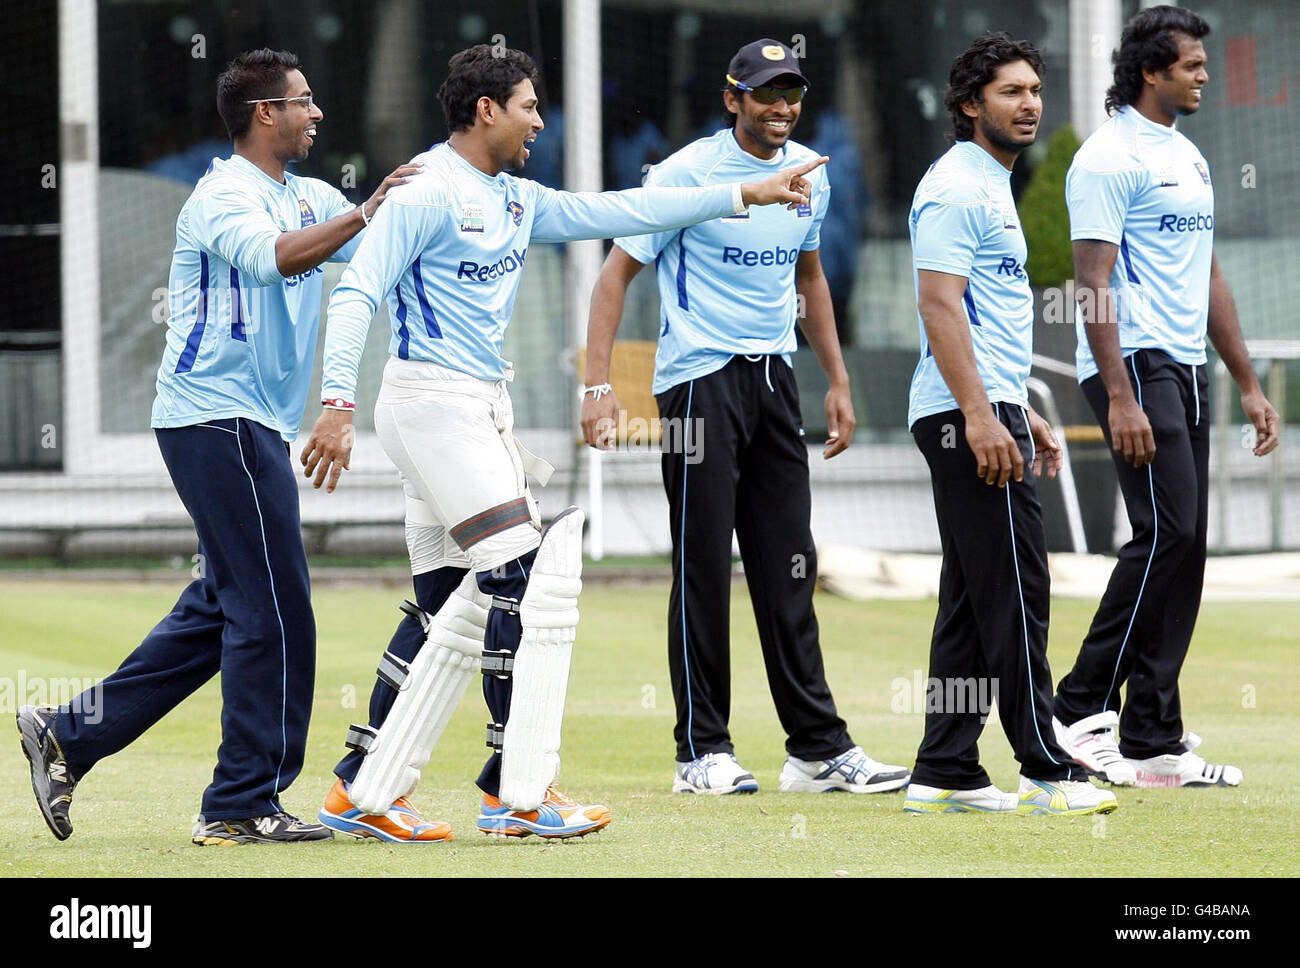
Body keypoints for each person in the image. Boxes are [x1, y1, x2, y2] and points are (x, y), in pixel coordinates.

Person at [300, 44, 825, 841]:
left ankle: (358, 789)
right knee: (521, 574)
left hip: (476, 410)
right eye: (528, 107)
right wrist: (335, 404)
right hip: (430, 407)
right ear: (486, 111)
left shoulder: (516, 198)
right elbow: (356, 295)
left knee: (448, 606)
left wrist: (745, 191)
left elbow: (620, 210)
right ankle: (519, 795)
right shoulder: (423, 190)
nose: (541, 121)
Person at [16, 49, 418, 845]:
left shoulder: (306, 193)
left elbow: (372, 245)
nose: (317, 114)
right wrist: (369, 212)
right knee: (275, 612)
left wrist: (439, 202)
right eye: (303, 102)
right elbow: (275, 259)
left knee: (223, 606)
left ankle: (69, 733)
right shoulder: (218, 197)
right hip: (213, 418)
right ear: (264, 113)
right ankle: (238, 804)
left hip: (248, 423)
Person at [581, 39, 910, 797]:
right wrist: (596, 388)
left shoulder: (812, 176)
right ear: (733, 100)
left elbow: (811, 276)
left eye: (791, 93)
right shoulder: (684, 176)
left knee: (791, 565)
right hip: (698, 387)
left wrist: (837, 380)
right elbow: (613, 277)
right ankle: (701, 752)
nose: (782, 107)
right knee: (702, 569)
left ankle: (817, 749)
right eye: (765, 94)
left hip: (775, 383)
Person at [1051, 5, 1278, 788]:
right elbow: (1093, 282)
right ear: (1152, 70)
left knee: (1187, 546)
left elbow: (1207, 275)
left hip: (1184, 369)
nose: (1205, 77)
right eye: (1192, 65)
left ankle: (1152, 734)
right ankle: (1078, 706)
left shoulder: (1188, 156)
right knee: (1165, 533)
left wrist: (1247, 382)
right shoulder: (1107, 158)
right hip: (1134, 365)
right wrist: (1118, 394)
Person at [901, 33, 1116, 816]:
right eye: (1010, 92)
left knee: (971, 594)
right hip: (966, 421)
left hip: (985, 411)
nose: (1029, 105)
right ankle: (1045, 766)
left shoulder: (992, 185)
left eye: (1035, 91)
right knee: (1019, 588)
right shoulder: (958, 187)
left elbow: (984, 322)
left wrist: (1017, 406)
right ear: (968, 105)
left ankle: (946, 768)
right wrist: (981, 415)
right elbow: (938, 305)